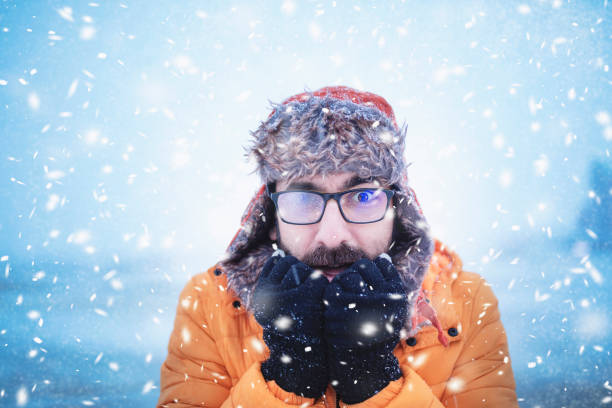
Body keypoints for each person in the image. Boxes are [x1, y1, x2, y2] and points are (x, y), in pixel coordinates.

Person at [157, 86, 519, 407]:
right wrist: (286, 381)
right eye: (303, 198)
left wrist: (375, 381)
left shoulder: (466, 302)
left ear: (398, 210)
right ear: (270, 216)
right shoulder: (209, 302)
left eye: (363, 195)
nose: (332, 236)